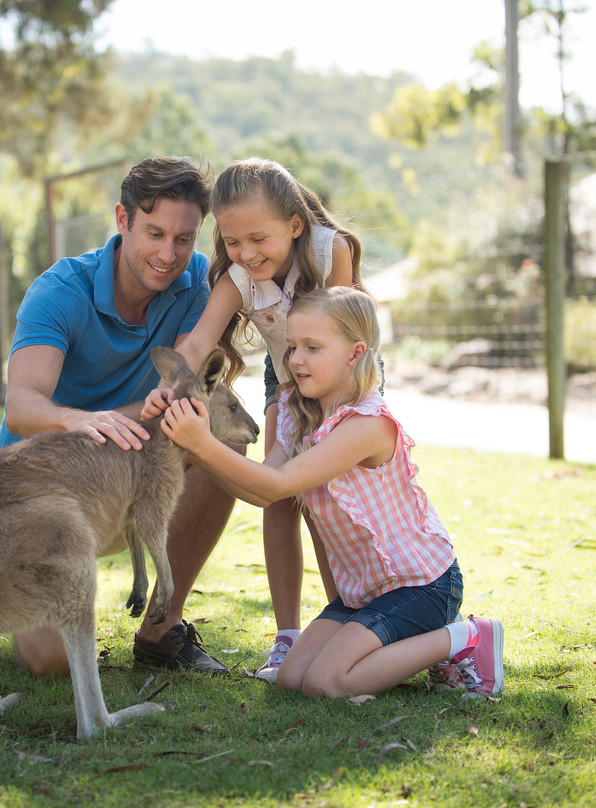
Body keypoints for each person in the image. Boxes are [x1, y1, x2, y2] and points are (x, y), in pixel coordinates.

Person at [159, 287, 504, 698]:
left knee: (328, 683)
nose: (296, 359)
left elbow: (279, 484)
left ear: (356, 353)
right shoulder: (295, 409)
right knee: (292, 678)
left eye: (313, 347)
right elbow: (263, 492)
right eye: (291, 347)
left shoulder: (366, 425)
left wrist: (203, 444)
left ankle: (466, 637)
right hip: (363, 592)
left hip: (419, 586)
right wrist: (199, 451)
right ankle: (430, 650)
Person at [0, 155, 236, 677]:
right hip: (46, 493)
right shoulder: (61, 290)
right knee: (51, 664)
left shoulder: (197, 282)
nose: (168, 254)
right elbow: (22, 404)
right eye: (154, 233)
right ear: (122, 220)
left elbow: (181, 392)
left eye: (184, 238)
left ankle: (161, 627)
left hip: (133, 478)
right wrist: (78, 420)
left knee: (224, 444)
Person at [142, 157, 362, 681]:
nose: (246, 254)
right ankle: (287, 638)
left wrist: (326, 413)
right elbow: (198, 340)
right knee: (279, 493)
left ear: (294, 226)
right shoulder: (240, 277)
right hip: (285, 379)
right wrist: (169, 385)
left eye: (258, 239)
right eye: (233, 242)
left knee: (329, 496)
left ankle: (345, 619)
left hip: (342, 378)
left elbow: (346, 335)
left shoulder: (333, 252)